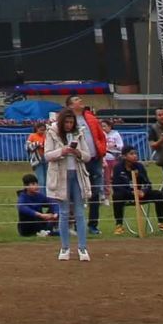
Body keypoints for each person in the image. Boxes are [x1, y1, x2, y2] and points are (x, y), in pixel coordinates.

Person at [44, 108, 90, 261]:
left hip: (77, 175)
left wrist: (78, 153)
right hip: (60, 176)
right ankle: (65, 248)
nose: (69, 125)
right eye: (66, 122)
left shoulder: (79, 133)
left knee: (79, 213)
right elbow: (47, 155)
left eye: (71, 122)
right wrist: (62, 151)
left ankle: (82, 248)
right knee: (63, 213)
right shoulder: (52, 133)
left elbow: (87, 156)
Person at [65, 94, 107, 235]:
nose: (80, 101)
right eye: (76, 100)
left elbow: (101, 136)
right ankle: (78, 224)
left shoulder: (90, 117)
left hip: (95, 159)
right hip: (77, 161)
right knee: (77, 193)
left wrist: (102, 150)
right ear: (70, 105)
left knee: (95, 192)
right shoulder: (67, 120)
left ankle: (93, 225)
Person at [110, 146, 163, 234]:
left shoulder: (139, 166)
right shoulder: (118, 168)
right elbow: (116, 186)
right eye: (131, 154)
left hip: (140, 194)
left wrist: (143, 191)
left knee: (158, 194)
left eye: (136, 153)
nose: (135, 156)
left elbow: (148, 183)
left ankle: (162, 223)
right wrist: (131, 192)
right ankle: (119, 225)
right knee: (116, 195)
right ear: (124, 156)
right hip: (127, 194)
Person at [15, 173, 58, 237]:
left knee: (55, 208)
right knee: (26, 213)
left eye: (36, 184)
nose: (36, 186)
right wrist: (41, 215)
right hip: (27, 228)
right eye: (33, 184)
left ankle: (48, 230)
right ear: (26, 186)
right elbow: (21, 207)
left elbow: (53, 202)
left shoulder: (39, 196)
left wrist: (55, 214)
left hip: (40, 222)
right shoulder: (22, 197)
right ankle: (46, 232)